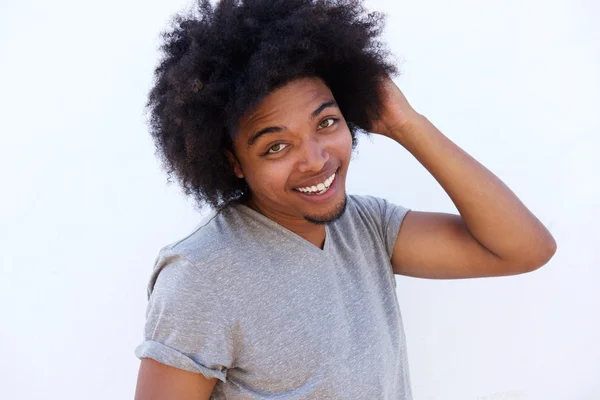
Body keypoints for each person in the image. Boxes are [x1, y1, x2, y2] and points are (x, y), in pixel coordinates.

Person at [133, 1, 557, 399]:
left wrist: (406, 123)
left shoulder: (367, 226)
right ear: (233, 161)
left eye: (327, 122)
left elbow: (524, 249)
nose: (316, 160)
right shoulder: (201, 276)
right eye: (276, 147)